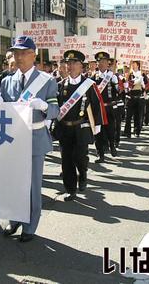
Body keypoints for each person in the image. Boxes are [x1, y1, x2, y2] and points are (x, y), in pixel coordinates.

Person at [0, 36, 59, 242]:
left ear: (34, 55)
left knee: (33, 185)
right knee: (14, 183)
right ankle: (14, 218)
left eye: (24, 52)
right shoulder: (6, 81)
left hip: (35, 138)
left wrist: (43, 106)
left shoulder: (47, 80)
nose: (19, 56)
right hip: (13, 139)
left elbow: (55, 110)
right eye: (16, 52)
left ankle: (31, 225)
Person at [53, 50, 104, 201]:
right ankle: (70, 189)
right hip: (65, 128)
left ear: (82, 66)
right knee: (66, 160)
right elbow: (56, 107)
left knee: (80, 158)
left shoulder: (88, 85)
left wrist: (98, 124)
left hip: (81, 128)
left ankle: (83, 174)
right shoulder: (61, 85)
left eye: (74, 63)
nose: (70, 66)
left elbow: (97, 105)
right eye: (68, 63)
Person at [91, 52, 118, 162]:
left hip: (108, 108)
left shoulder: (112, 76)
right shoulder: (93, 78)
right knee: (98, 132)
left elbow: (119, 92)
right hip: (98, 109)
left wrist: (117, 83)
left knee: (110, 130)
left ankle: (112, 146)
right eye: (99, 62)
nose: (102, 64)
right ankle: (100, 154)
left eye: (104, 62)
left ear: (108, 63)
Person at [124, 59, 145, 138]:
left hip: (139, 96)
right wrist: (127, 81)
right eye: (132, 64)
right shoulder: (129, 74)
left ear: (138, 65)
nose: (133, 65)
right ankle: (127, 132)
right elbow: (126, 85)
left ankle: (137, 131)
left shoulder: (142, 74)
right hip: (131, 96)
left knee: (138, 115)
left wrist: (140, 80)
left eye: (134, 64)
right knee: (128, 116)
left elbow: (144, 85)